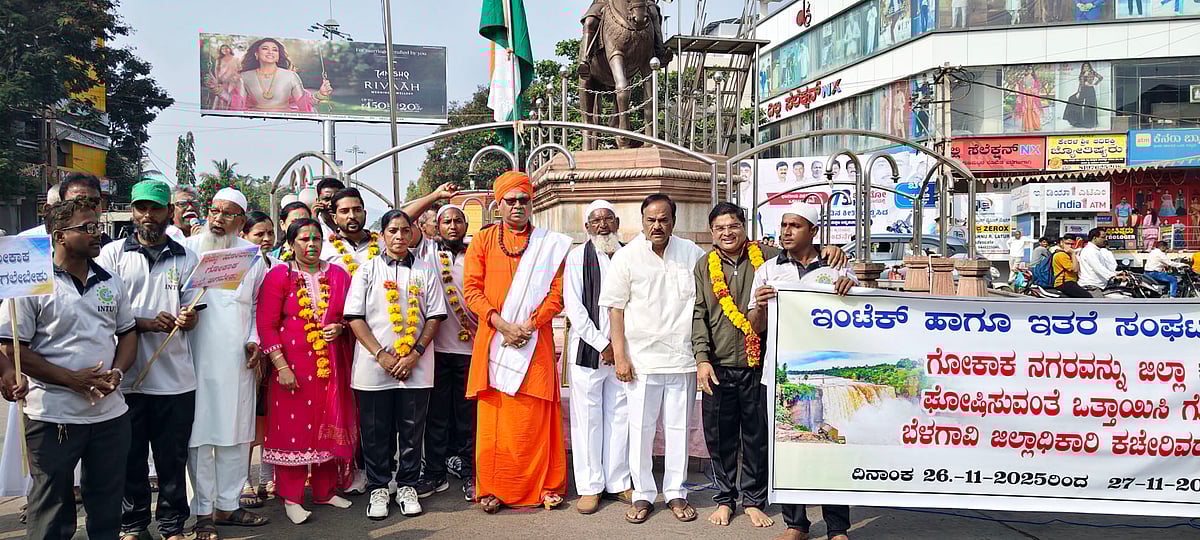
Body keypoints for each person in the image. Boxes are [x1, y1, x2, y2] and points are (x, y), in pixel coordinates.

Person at [693, 203, 847, 530]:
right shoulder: (705, 265)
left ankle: (753, 500)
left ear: (744, 227)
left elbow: (807, 253)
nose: (727, 233)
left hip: (762, 364)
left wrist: (833, 250)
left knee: (758, 438)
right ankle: (725, 499)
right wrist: (702, 357)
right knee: (720, 437)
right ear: (712, 232)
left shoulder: (768, 258)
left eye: (733, 226)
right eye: (720, 228)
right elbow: (700, 313)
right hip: (719, 362)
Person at [0, 198, 135, 540]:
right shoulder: (32, 281)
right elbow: (13, 347)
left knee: (107, 506)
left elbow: (128, 334)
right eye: (87, 227)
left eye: (97, 226)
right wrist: (71, 380)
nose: (97, 233)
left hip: (109, 416)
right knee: (52, 510)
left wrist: (118, 373)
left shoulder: (111, 281)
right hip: (52, 416)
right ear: (60, 236)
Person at [96, 179, 201, 540]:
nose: (148, 215)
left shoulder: (187, 257)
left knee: (172, 459)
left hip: (175, 378)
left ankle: (172, 526)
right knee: (130, 457)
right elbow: (103, 310)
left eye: (156, 208)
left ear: (169, 212)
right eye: (141, 208)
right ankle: (133, 525)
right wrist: (144, 323)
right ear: (132, 211)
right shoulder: (111, 254)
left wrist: (187, 318)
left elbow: (194, 310)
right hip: (124, 377)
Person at [462, 171, 572, 513]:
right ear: (499, 204)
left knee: (534, 418)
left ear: (531, 202)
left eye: (524, 200)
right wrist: (502, 325)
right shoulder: (482, 241)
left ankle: (544, 486)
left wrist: (529, 325)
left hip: (535, 341)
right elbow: (471, 291)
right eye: (510, 200)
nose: (517, 206)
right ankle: (493, 488)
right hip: (494, 339)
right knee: (495, 422)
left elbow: (558, 294)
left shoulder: (548, 245)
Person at [746, 204, 855, 540]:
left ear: (813, 232)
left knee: (830, 446)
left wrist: (848, 287)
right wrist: (760, 306)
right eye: (784, 225)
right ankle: (796, 524)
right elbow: (754, 326)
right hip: (780, 373)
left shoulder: (836, 266)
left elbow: (858, 311)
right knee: (787, 448)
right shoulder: (768, 270)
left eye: (795, 225)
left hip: (823, 368)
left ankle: (837, 527)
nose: (786, 232)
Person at [599, 193, 707, 525]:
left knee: (678, 430)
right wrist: (620, 356)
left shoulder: (692, 254)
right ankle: (643, 493)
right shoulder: (626, 257)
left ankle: (676, 491)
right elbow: (615, 310)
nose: (657, 225)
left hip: (683, 359)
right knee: (641, 431)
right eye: (651, 220)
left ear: (674, 221)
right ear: (642, 221)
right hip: (641, 362)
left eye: (663, 219)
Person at [346, 209, 448, 520]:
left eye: (405, 230)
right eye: (393, 231)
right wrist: (381, 355)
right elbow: (355, 317)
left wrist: (415, 353)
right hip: (373, 366)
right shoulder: (367, 270)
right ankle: (378, 487)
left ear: (413, 233)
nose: (399, 236)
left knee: (412, 430)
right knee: (375, 431)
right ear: (382, 236)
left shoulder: (425, 270)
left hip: (416, 366)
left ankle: (407, 485)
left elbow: (434, 317)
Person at [256, 217, 358, 525]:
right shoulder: (280, 275)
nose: (311, 244)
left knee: (328, 424)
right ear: (290, 244)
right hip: (292, 367)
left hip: (331, 365)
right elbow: (266, 325)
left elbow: (351, 315)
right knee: (293, 429)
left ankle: (326, 491)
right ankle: (292, 497)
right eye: (303, 239)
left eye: (316, 238)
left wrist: (340, 328)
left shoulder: (338, 274)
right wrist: (281, 366)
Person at [184, 188, 272, 539]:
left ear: (240, 220)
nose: (218, 219)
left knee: (236, 435)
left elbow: (256, 307)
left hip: (237, 360)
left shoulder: (252, 257)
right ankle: (203, 512)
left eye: (227, 213)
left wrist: (254, 340)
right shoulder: (188, 250)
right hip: (196, 358)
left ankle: (228, 505)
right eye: (214, 211)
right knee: (201, 437)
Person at [564, 200, 631, 515]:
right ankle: (590, 486)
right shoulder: (577, 257)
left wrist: (619, 348)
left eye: (608, 219)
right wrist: (603, 344)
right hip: (589, 352)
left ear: (617, 222)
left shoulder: (630, 254)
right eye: (596, 220)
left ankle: (618, 482)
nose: (602, 225)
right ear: (587, 227)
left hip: (624, 352)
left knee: (620, 416)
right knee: (588, 420)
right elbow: (574, 308)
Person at [420, 205, 480, 501]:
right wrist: (435, 196)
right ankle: (434, 473)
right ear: (436, 226)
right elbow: (404, 218)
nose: (453, 226)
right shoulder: (427, 252)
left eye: (458, 221)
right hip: (436, 350)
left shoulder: (476, 253)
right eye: (446, 221)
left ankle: (470, 473)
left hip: (472, 349)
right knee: (437, 416)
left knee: (468, 416)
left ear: (466, 225)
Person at [239, 211, 280, 506]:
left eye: (270, 233)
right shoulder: (237, 266)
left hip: (274, 352)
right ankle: (244, 480)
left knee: (271, 415)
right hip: (247, 350)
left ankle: (267, 476)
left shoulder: (279, 266)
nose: (266, 239)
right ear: (243, 236)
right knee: (244, 418)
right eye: (258, 234)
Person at [205, 37, 332, 113]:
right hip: (255, 118)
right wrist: (216, 89)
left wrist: (321, 94)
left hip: (286, 117)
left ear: (278, 56)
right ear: (256, 54)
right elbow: (237, 103)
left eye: (275, 50)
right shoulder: (245, 76)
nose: (270, 52)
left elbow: (304, 103)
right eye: (265, 48)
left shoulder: (290, 76)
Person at [321, 188, 380, 282]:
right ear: (334, 218)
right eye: (344, 211)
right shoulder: (324, 249)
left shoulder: (383, 245)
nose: (352, 216)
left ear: (365, 213)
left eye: (357, 210)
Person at [1077, 228, 1117, 295]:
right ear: (1095, 238)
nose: (1105, 240)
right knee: (1102, 301)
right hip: (1091, 286)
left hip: (1100, 286)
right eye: (1103, 237)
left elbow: (1106, 267)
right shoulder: (1089, 251)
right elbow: (1099, 268)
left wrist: (1118, 273)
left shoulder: (1097, 250)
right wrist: (1114, 276)